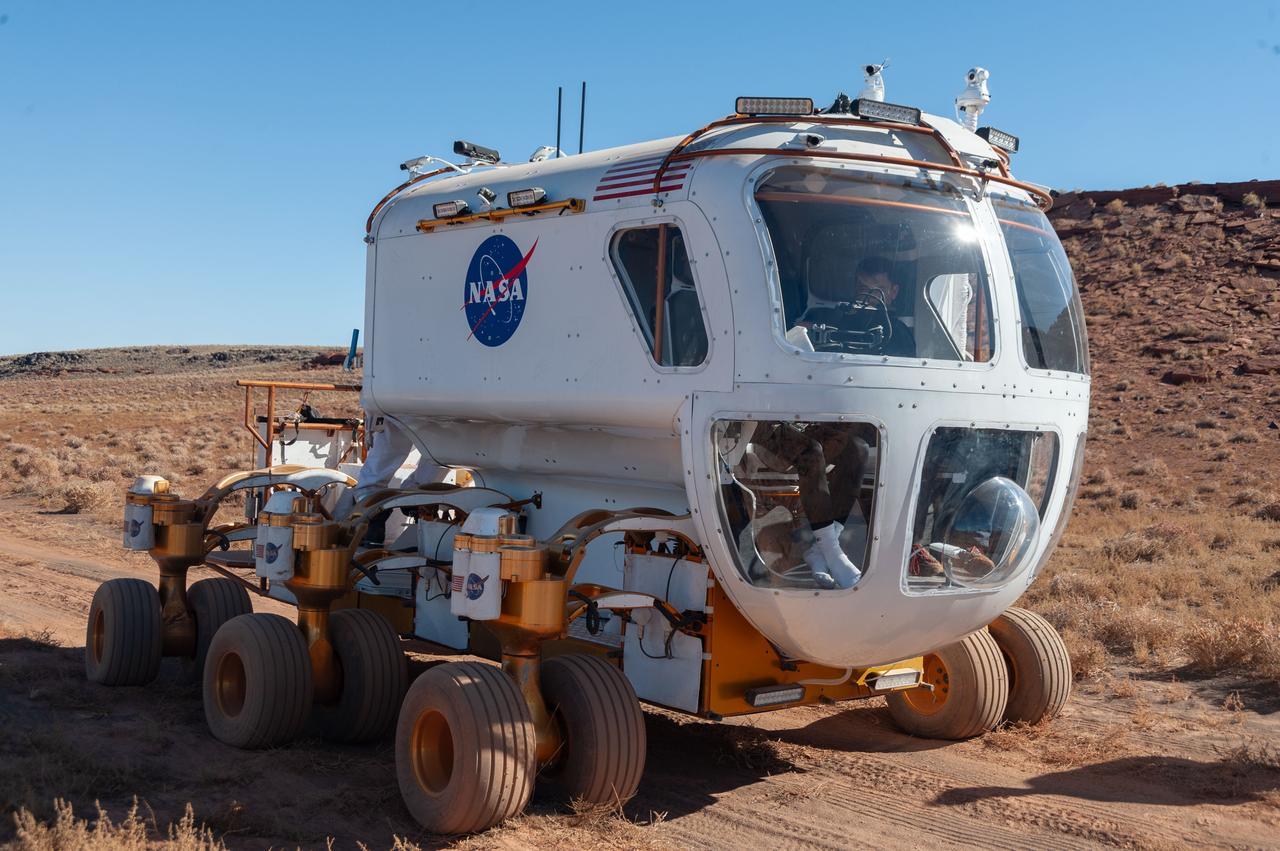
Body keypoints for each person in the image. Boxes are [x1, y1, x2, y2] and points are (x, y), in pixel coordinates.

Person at [795, 256, 916, 358]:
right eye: (863, 289)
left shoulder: (899, 334)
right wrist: (806, 332)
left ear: (893, 291)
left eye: (877, 290)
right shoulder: (834, 320)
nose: (868, 298)